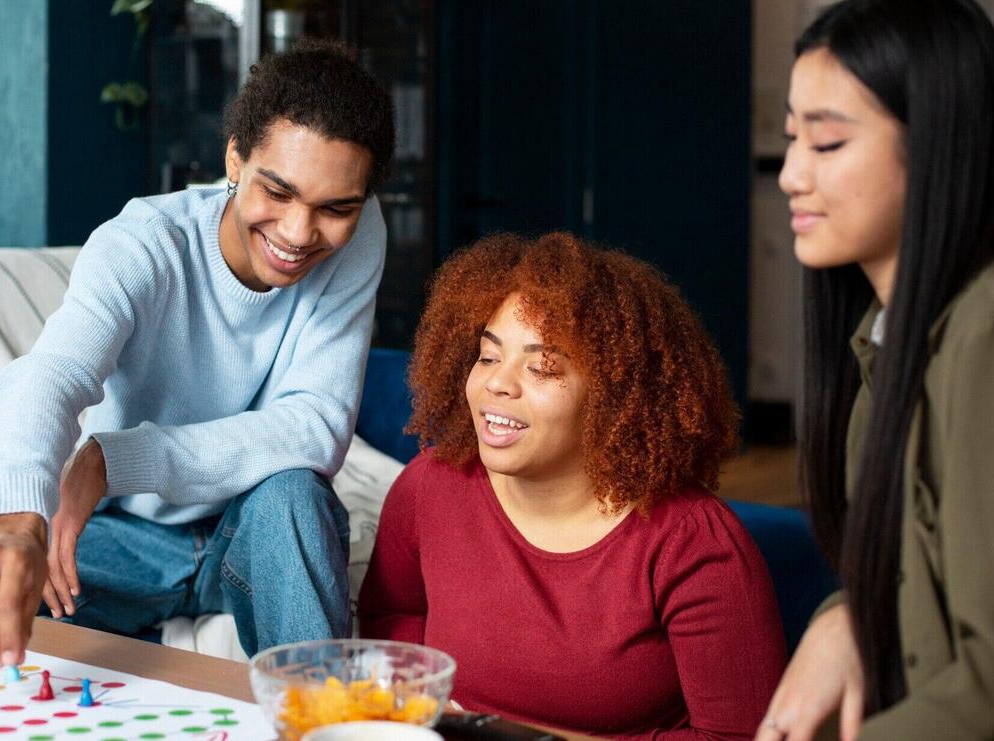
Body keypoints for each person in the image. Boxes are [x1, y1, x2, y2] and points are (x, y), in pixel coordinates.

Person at [0, 39, 395, 665]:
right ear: (234, 159)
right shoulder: (145, 242)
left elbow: (317, 427)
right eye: (276, 192)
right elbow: (52, 375)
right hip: (124, 538)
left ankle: (318, 718)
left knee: (293, 496)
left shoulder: (360, 237)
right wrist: (14, 526)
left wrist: (116, 461)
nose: (300, 233)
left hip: (247, 534)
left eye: (335, 209)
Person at [358, 232, 786, 738]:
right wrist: (425, 703)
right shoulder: (430, 486)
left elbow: (741, 736)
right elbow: (393, 613)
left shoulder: (695, 545)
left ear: (615, 398)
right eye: (489, 357)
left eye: (542, 367)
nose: (498, 383)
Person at [757, 1, 994, 739]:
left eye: (826, 143)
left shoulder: (981, 338)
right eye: (792, 138)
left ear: (939, 147)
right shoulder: (879, 341)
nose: (791, 175)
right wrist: (847, 612)